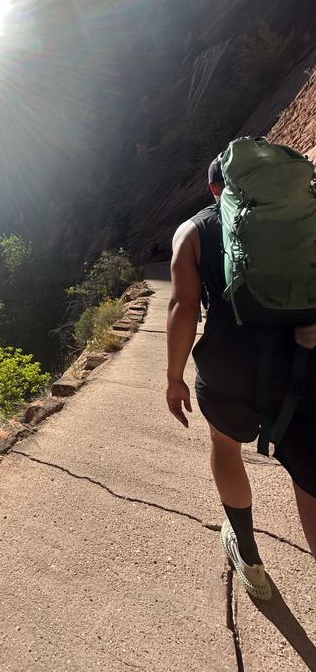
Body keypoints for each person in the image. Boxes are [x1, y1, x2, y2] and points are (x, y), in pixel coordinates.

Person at [166, 157, 316, 599]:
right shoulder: (302, 217)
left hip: (228, 365)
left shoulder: (192, 231)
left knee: (225, 449)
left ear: (215, 189)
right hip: (302, 364)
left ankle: (249, 560)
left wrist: (174, 377)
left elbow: (183, 307)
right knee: (309, 482)